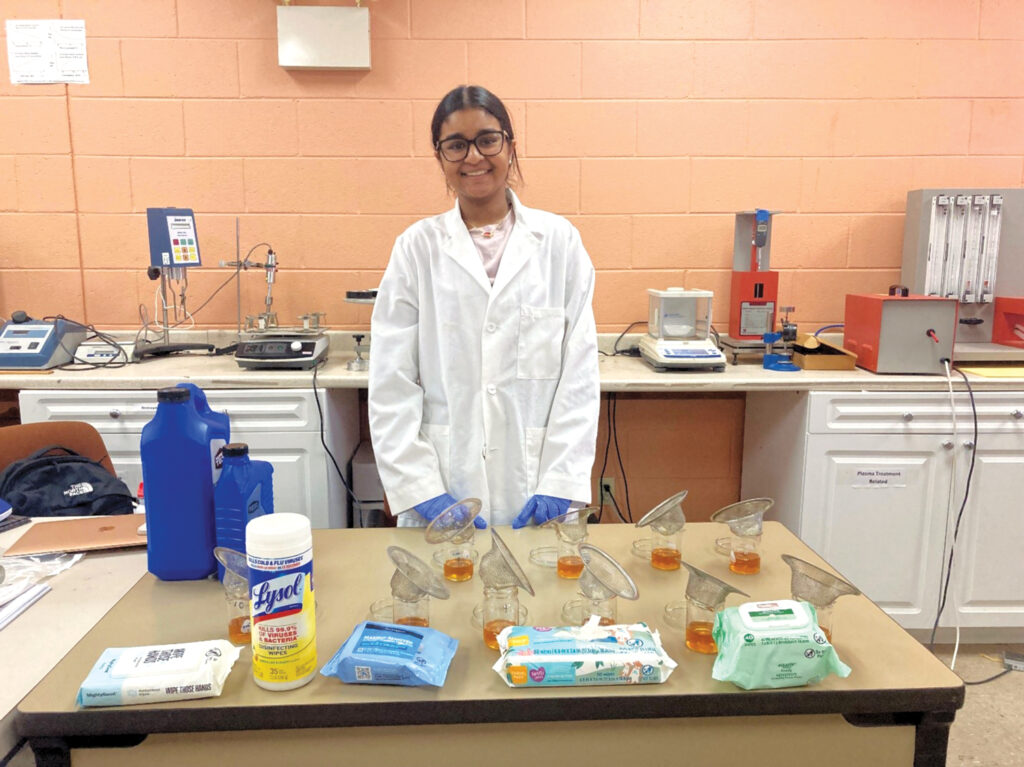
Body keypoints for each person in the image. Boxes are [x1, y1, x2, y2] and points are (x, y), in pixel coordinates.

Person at [368, 84, 600, 530]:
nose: (473, 157)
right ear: (440, 158)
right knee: (445, 595)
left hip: (536, 479)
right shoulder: (417, 248)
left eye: (487, 140)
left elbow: (580, 374)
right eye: (456, 145)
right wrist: (422, 490)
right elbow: (390, 380)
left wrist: (561, 479)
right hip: (446, 476)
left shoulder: (559, 242)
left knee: (544, 596)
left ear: (510, 146)